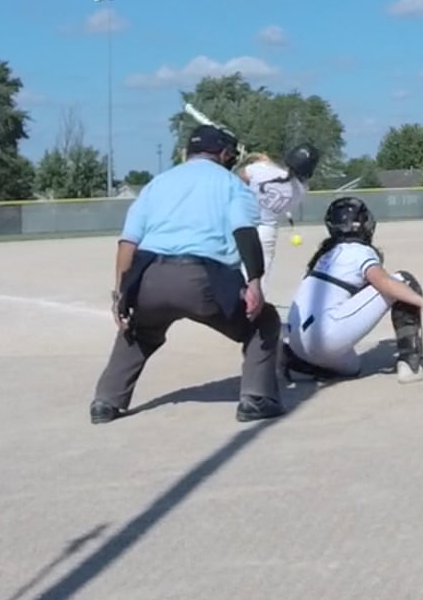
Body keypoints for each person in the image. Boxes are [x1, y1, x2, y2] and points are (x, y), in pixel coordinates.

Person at [89, 124, 284, 425]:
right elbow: (244, 232)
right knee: (264, 320)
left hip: (149, 278)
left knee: (139, 329)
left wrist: (121, 294)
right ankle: (256, 398)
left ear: (188, 152)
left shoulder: (157, 183)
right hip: (203, 279)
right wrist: (255, 282)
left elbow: (128, 243)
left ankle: (106, 401)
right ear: (224, 154)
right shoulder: (231, 185)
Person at [282, 196, 423, 384]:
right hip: (326, 337)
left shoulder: (324, 255)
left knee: (353, 367)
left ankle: (300, 363)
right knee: (403, 281)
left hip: (297, 342)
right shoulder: (359, 250)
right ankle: (412, 364)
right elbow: (384, 283)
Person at [238, 145, 318, 271]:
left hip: (243, 223)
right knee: (258, 275)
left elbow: (240, 176)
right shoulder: (302, 189)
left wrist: (263, 162)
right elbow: (286, 176)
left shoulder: (259, 169)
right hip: (267, 231)